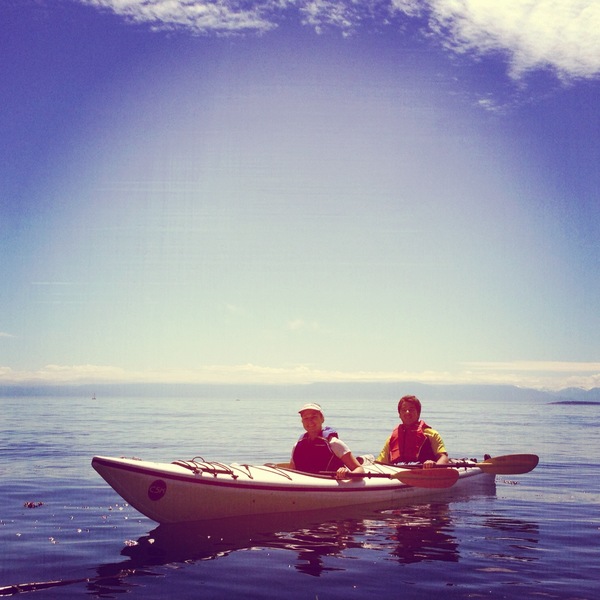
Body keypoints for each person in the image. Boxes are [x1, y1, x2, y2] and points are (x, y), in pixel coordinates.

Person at [290, 403, 364, 480]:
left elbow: (360, 470)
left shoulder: (334, 443)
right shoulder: (297, 446)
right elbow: (291, 471)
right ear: (302, 421)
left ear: (322, 419)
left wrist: (347, 474)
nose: (310, 421)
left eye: (314, 417)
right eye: (306, 418)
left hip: (330, 486)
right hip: (304, 485)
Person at [377, 395, 449, 469]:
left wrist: (434, 465)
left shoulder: (432, 435)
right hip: (398, 475)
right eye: (404, 410)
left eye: (411, 409)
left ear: (418, 413)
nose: (407, 412)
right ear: (399, 414)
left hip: (425, 473)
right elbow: (380, 463)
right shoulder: (391, 439)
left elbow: (443, 458)